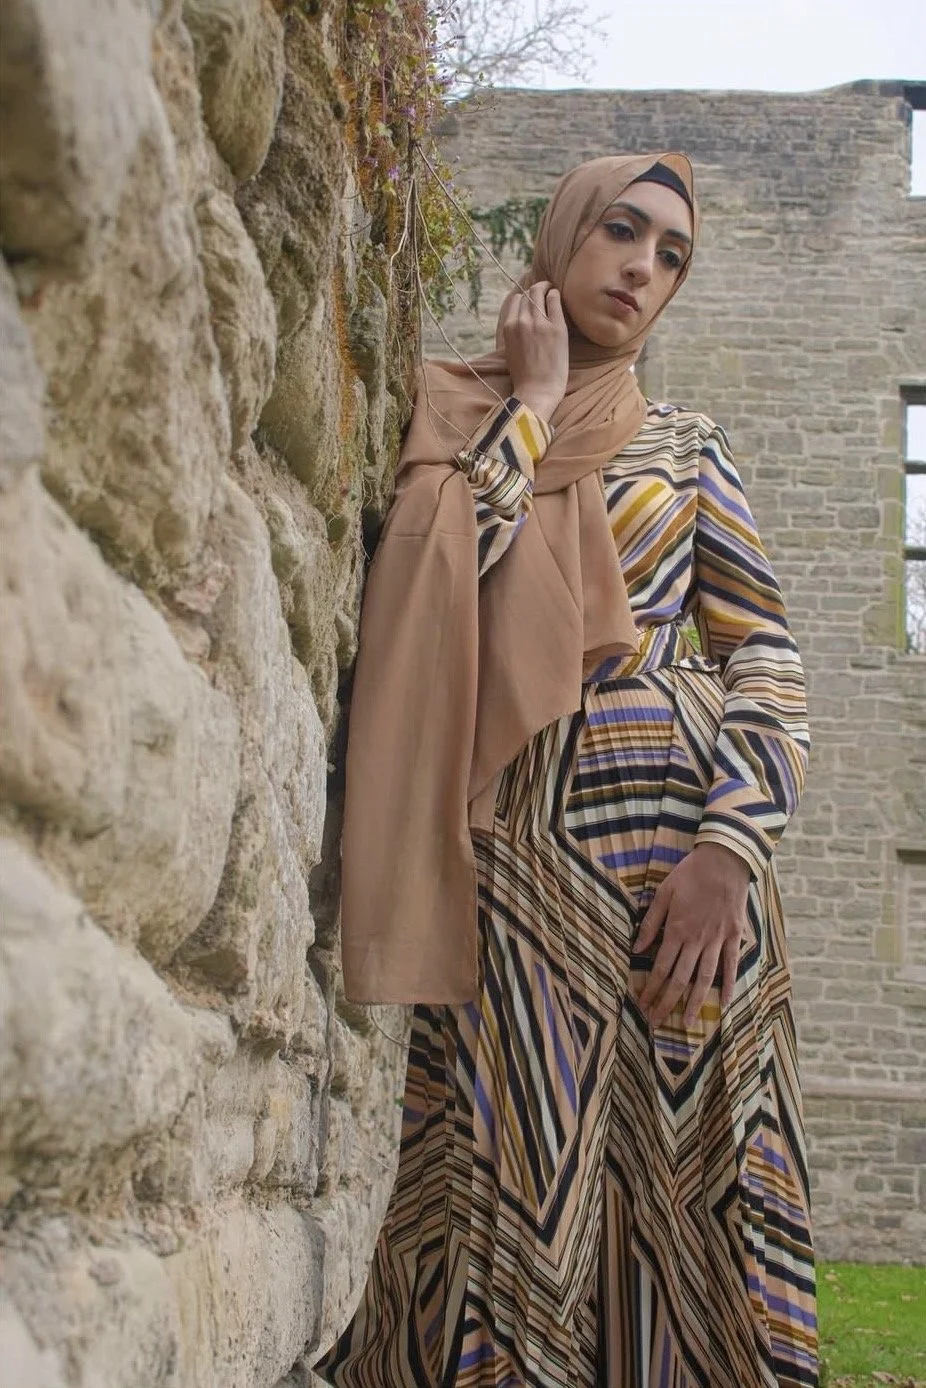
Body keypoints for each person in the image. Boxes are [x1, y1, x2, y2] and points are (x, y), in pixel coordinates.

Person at [313, 153, 817, 1388]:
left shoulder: (690, 448)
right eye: (620, 232)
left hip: (680, 902)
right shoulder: (448, 409)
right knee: (501, 1180)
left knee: (691, 1194)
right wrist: (530, 403)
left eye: (671, 255)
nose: (641, 267)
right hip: (513, 877)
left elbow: (766, 661)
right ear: (561, 237)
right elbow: (431, 594)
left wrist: (727, 852)